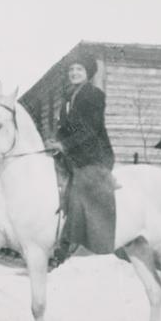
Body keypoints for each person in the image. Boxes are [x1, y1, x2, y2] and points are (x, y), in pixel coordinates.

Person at [47, 52, 116, 265]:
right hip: (73, 156)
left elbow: (90, 129)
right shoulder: (68, 97)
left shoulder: (94, 95)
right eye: (71, 70)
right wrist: (55, 142)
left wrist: (64, 144)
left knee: (82, 189)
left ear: (87, 74)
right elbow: (65, 127)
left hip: (93, 156)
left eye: (79, 69)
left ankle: (82, 245)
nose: (74, 73)